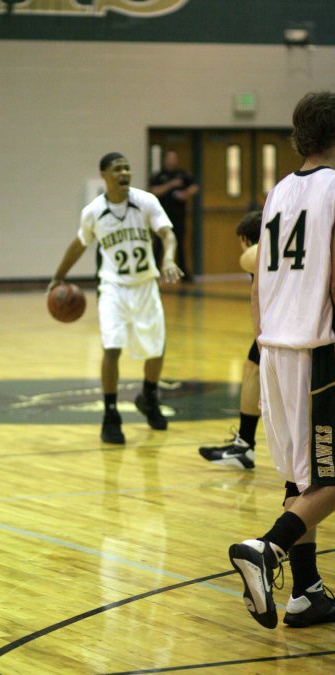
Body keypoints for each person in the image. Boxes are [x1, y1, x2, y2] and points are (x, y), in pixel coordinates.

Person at [228, 91, 335, 630]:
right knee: (333, 476)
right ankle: (266, 550)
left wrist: (265, 340)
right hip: (321, 351)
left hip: (274, 345)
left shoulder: (277, 193)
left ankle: (307, 591)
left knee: (303, 477)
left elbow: (258, 280)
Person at [48, 152, 183, 445]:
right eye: (117, 169)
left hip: (145, 284)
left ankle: (148, 397)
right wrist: (58, 276)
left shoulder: (146, 201)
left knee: (157, 349)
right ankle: (110, 415)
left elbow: (167, 234)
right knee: (112, 348)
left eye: (127, 168)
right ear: (105, 175)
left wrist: (169, 259)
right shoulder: (94, 211)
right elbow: (79, 244)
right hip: (112, 288)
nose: (124, 173)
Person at [199, 210, 262, 470]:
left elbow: (250, 257)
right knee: (252, 369)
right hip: (279, 328)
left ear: (245, 239)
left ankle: (245, 446)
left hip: (287, 328)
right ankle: (244, 445)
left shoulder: (262, 252)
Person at [149, 150, 199, 282]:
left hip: (179, 216)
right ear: (165, 160)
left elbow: (194, 187)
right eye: (170, 158)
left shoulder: (182, 174)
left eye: (174, 158)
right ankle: (154, 274)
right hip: (161, 217)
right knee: (158, 246)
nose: (172, 160)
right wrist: (171, 185)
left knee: (180, 245)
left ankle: (184, 275)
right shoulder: (159, 175)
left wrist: (185, 193)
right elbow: (154, 191)